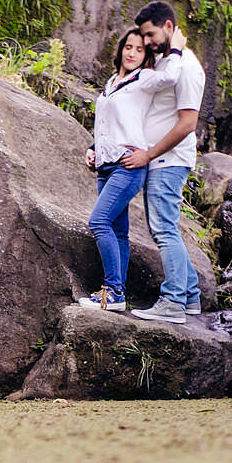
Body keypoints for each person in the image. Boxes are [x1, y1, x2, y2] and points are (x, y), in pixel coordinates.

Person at [77, 25, 189, 312]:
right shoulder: (112, 81)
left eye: (140, 49)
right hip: (106, 165)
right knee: (118, 231)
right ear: (121, 49)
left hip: (128, 165)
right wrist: (93, 148)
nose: (132, 53)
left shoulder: (144, 79)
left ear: (145, 55)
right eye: (129, 47)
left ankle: (112, 292)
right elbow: (111, 123)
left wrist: (176, 49)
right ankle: (118, 295)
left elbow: (171, 76)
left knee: (99, 222)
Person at [122, 1, 207, 325]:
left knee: (163, 229)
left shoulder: (187, 67)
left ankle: (172, 302)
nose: (146, 42)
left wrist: (149, 154)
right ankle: (190, 296)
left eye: (150, 34)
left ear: (168, 27)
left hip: (168, 160)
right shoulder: (166, 62)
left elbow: (188, 124)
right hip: (161, 160)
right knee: (165, 227)